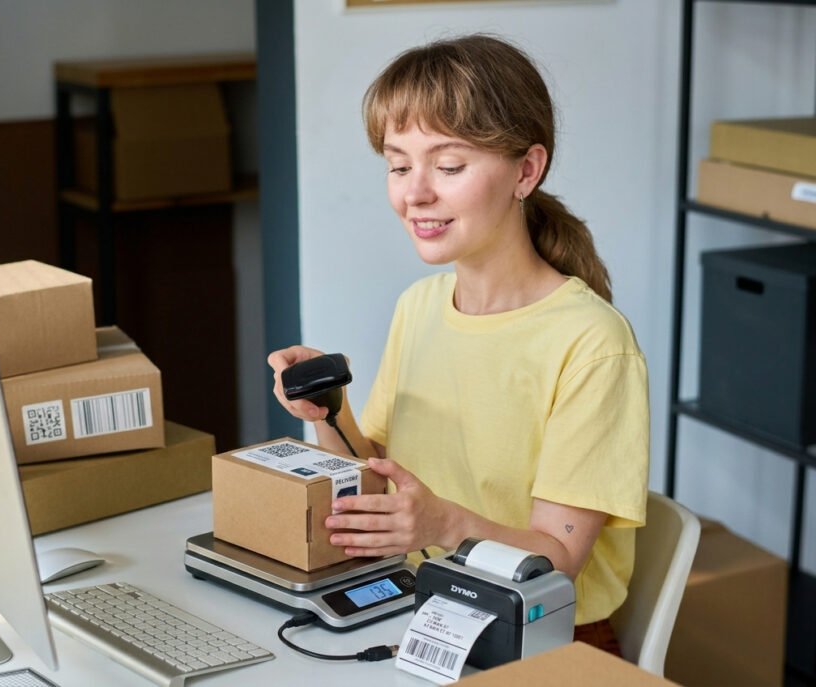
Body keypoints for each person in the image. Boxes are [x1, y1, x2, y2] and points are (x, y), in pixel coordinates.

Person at [267, 34, 648, 656]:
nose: (415, 193)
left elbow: (559, 561)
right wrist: (327, 411)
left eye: (448, 166)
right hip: (424, 611)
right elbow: (374, 487)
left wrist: (444, 524)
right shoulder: (419, 307)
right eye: (398, 165)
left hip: (545, 637)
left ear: (526, 170)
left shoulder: (592, 343)